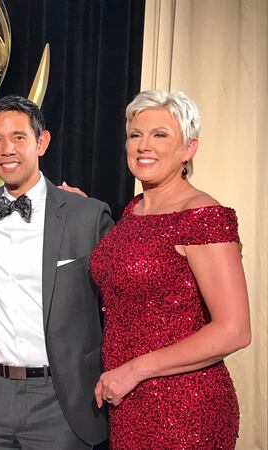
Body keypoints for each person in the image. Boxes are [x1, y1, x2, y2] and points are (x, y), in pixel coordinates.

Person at [89, 90, 251, 449]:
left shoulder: (203, 215)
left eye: (160, 135)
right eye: (135, 135)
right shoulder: (134, 211)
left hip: (183, 408)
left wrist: (134, 370)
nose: (144, 146)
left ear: (189, 149)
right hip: (130, 403)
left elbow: (234, 331)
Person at [0, 95, 114, 449]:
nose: (7, 149)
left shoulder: (86, 215)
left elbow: (120, 298)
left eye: (19, 138)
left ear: (42, 142)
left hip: (61, 396)